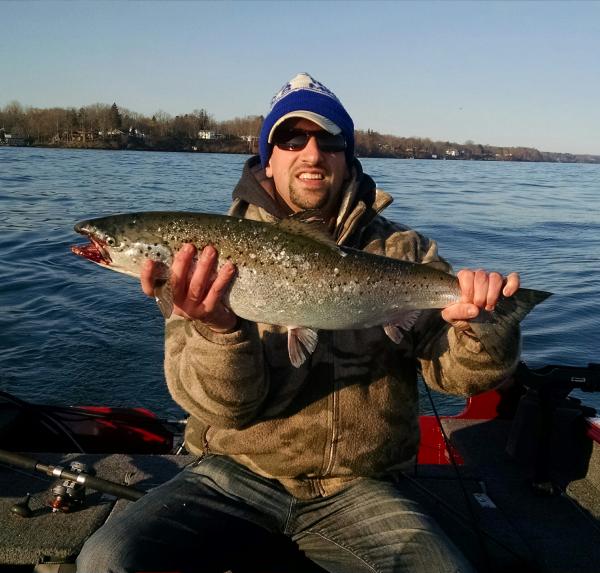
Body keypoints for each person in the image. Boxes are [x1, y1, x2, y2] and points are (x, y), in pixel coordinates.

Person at [77, 73, 521, 573]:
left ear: (347, 156)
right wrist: (219, 331)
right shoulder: (199, 261)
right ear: (268, 157)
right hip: (233, 472)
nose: (312, 153)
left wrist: (481, 323)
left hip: (360, 486)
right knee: (108, 559)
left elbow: (460, 378)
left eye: (329, 140)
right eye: (292, 139)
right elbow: (222, 410)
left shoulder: (405, 251)